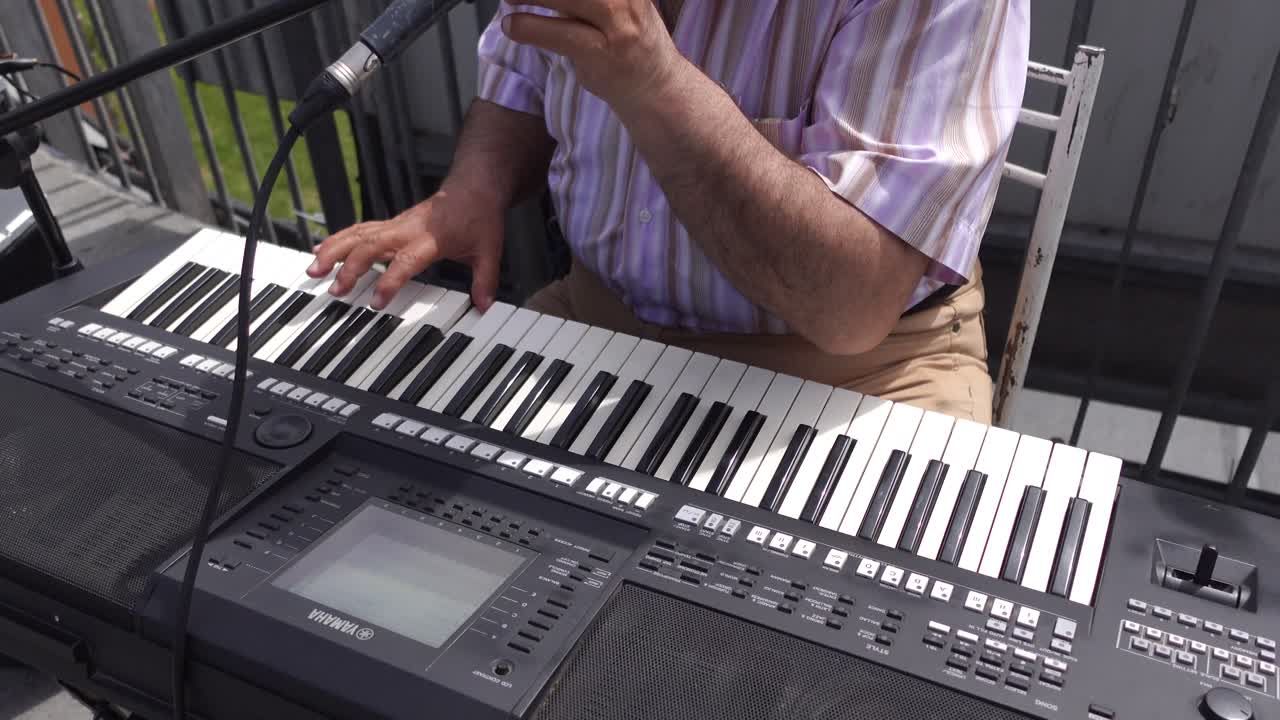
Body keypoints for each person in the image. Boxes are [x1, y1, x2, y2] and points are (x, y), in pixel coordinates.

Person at [307, 0, 1029, 424]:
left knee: (817, 672)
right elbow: (525, 67)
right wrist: (472, 189)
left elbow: (850, 305)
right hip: (601, 313)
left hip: (860, 375)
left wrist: (651, 80)